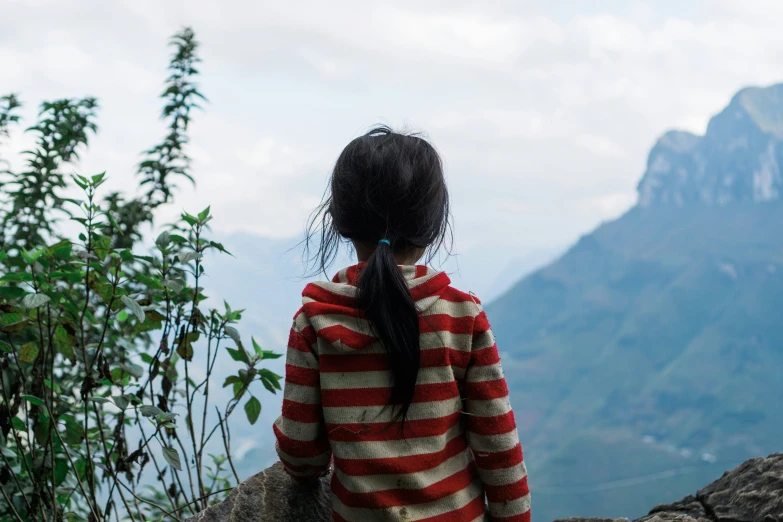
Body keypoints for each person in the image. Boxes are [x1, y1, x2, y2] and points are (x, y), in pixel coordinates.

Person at [273, 126, 530, 521]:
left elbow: (302, 455)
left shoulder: (314, 321)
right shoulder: (462, 316)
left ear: (341, 219)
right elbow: (498, 450)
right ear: (431, 223)